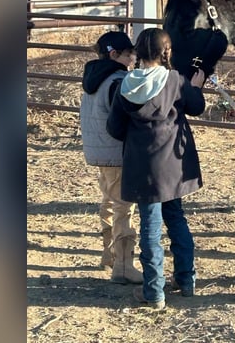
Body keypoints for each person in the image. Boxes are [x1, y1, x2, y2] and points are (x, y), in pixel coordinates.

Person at [107, 28, 206, 310]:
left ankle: (154, 291)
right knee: (176, 219)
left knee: (150, 227)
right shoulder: (175, 80)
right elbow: (197, 107)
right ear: (167, 53)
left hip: (142, 166)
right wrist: (195, 88)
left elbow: (114, 128)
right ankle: (186, 280)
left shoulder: (125, 84)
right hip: (173, 165)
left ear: (137, 53)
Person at [79, 30, 143, 285]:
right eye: (129, 55)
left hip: (98, 151)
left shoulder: (94, 78)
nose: (132, 60)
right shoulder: (118, 81)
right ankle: (124, 265)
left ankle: (110, 254)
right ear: (114, 54)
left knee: (108, 201)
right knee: (123, 207)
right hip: (116, 152)